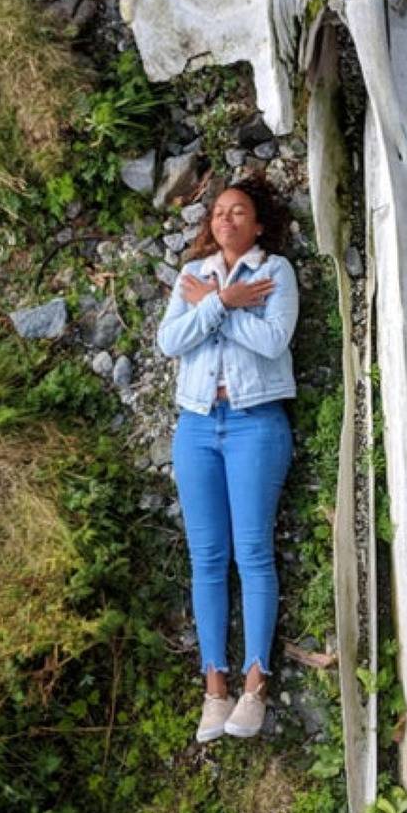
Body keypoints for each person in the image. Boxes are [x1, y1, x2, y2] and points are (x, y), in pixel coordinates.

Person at [156, 174, 299, 742]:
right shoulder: (192, 276)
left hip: (254, 425)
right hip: (195, 426)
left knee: (253, 552)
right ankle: (214, 688)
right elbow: (169, 343)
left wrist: (217, 308)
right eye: (218, 212)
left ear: (259, 223)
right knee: (207, 558)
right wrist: (222, 301)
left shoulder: (275, 272)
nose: (225, 219)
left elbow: (272, 342)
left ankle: (255, 685)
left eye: (238, 212)